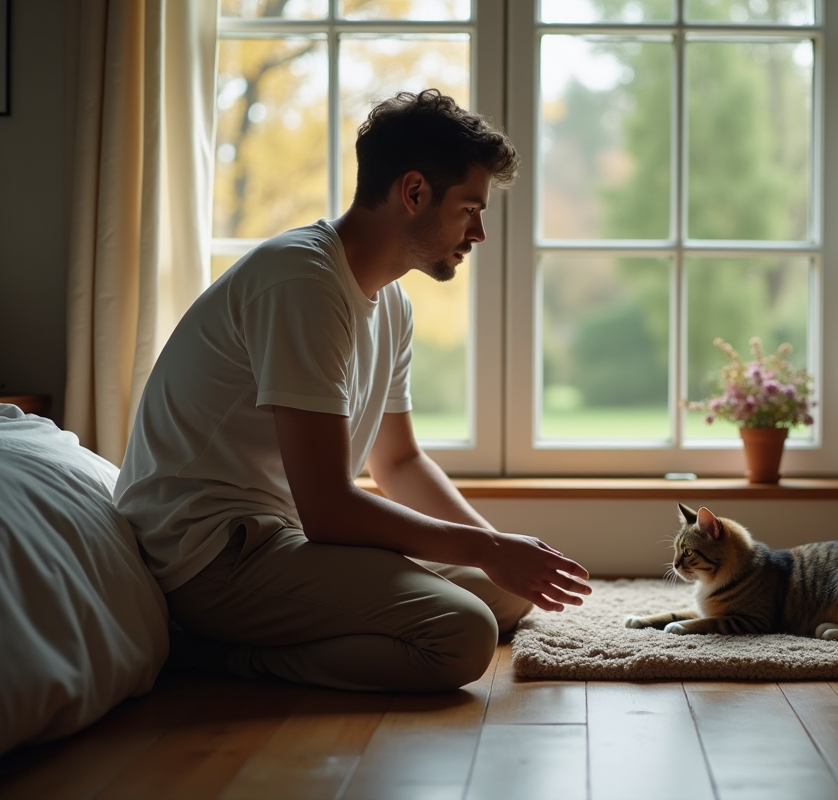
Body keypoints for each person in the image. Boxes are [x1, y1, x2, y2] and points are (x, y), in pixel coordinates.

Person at [114, 88, 591, 693]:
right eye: (470, 209)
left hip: (281, 540)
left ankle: (279, 634)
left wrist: (495, 552)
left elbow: (398, 461)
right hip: (208, 555)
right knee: (463, 635)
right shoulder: (301, 282)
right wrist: (488, 547)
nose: (480, 233)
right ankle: (216, 655)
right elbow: (329, 508)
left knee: (503, 594)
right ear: (414, 192)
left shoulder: (391, 301)